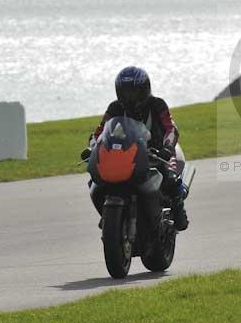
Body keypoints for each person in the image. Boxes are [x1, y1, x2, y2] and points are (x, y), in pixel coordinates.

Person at [81, 66, 189, 231]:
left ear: (145, 89)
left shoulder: (157, 104)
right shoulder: (115, 108)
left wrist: (167, 148)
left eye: (134, 92)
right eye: (125, 93)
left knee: (172, 178)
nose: (130, 97)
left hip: (157, 152)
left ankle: (179, 214)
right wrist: (93, 148)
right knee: (95, 180)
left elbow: (171, 129)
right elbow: (99, 132)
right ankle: (108, 216)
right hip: (125, 153)